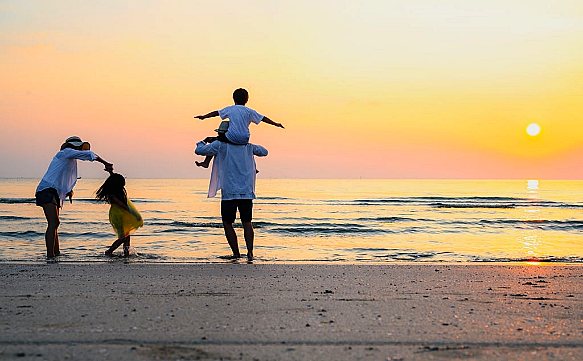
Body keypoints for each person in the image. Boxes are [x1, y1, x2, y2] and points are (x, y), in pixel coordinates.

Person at [35, 136, 113, 258]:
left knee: (55, 224)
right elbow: (89, 154)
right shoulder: (65, 153)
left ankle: (56, 254)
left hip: (53, 191)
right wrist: (106, 163)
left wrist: (69, 191)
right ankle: (50, 255)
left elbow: (65, 177)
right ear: (74, 146)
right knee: (53, 223)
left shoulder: (70, 159)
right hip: (47, 190)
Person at [195, 136, 268, 261]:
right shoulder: (248, 147)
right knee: (247, 222)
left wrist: (203, 141)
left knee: (228, 223)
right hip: (246, 191)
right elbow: (264, 151)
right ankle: (250, 253)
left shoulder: (220, 145)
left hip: (229, 192)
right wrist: (246, 143)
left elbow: (199, 150)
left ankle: (236, 253)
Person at [193, 88, 283, 168]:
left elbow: (216, 113)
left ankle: (206, 162)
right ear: (247, 99)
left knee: (212, 140)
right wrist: (276, 124)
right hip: (245, 139)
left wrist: (204, 116)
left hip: (231, 137)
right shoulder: (250, 111)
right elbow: (263, 118)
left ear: (233, 98)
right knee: (245, 148)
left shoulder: (231, 109)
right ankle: (252, 167)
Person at [95, 172, 143, 257]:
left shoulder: (118, 191)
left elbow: (113, 178)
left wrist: (110, 172)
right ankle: (109, 251)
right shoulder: (112, 194)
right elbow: (123, 206)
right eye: (122, 182)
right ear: (117, 184)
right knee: (123, 237)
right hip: (117, 215)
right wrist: (135, 215)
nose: (124, 184)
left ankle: (126, 254)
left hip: (123, 214)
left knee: (127, 236)